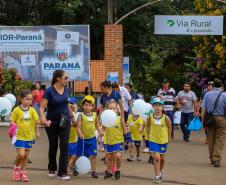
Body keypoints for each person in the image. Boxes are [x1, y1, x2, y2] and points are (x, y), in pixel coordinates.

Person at [39, 70, 75, 180]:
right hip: (51, 122)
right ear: (58, 78)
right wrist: (43, 119)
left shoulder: (67, 90)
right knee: (53, 145)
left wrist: (72, 117)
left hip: (65, 121)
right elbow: (42, 108)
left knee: (64, 146)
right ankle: (52, 168)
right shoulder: (49, 91)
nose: (67, 79)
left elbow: (67, 105)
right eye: (66, 77)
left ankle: (62, 172)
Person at [10, 90, 39, 182]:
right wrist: (12, 124)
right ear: (21, 99)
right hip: (19, 136)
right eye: (27, 99)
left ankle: (23, 172)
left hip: (30, 136)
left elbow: (37, 121)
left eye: (31, 99)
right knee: (21, 154)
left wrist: (44, 123)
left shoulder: (32, 110)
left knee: (26, 155)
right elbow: (12, 120)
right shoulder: (16, 110)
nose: (30, 101)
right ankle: (16, 169)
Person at [74, 95, 103, 178]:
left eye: (89, 105)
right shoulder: (80, 116)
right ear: (83, 106)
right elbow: (78, 127)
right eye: (86, 105)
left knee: (93, 155)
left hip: (92, 139)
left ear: (93, 107)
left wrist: (100, 131)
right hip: (82, 140)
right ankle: (76, 168)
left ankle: (94, 171)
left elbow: (97, 125)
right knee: (80, 155)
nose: (87, 107)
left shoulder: (94, 115)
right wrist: (80, 134)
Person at [201, 79, 226, 167]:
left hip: (209, 119)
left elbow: (203, 109)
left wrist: (203, 121)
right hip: (221, 118)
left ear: (213, 86)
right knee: (220, 140)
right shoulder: (225, 95)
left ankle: (212, 157)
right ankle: (216, 158)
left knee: (210, 139)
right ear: (222, 86)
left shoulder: (207, 94)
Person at [146, 97, 172, 184]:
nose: (157, 107)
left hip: (163, 140)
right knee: (157, 158)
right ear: (153, 107)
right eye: (156, 105)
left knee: (162, 159)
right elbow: (148, 126)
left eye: (159, 106)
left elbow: (169, 127)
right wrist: (149, 135)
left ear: (162, 107)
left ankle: (160, 172)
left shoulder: (166, 118)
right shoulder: (150, 117)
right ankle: (157, 176)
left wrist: (169, 137)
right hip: (153, 140)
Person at [101, 100, 126, 180]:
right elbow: (103, 130)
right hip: (108, 141)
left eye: (114, 108)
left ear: (117, 109)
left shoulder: (120, 119)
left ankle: (118, 170)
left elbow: (125, 130)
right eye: (110, 108)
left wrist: (129, 131)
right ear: (107, 110)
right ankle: (110, 171)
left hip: (118, 141)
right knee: (109, 157)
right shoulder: (105, 119)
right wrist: (100, 134)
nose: (112, 110)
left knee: (118, 156)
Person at [67, 97, 78, 171]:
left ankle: (72, 165)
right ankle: (69, 165)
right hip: (67, 138)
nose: (70, 105)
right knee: (69, 154)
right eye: (69, 103)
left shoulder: (78, 114)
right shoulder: (65, 113)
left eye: (72, 103)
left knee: (75, 154)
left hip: (76, 138)